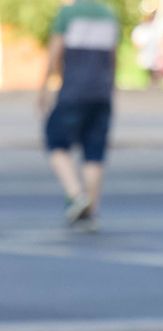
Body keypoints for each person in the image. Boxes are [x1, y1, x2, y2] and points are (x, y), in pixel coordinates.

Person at [38, 0, 120, 232]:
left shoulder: (68, 14)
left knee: (56, 141)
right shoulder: (108, 14)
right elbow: (113, 57)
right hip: (101, 93)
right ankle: (90, 213)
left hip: (73, 92)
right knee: (94, 153)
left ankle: (76, 194)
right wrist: (110, 87)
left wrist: (45, 87)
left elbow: (55, 52)